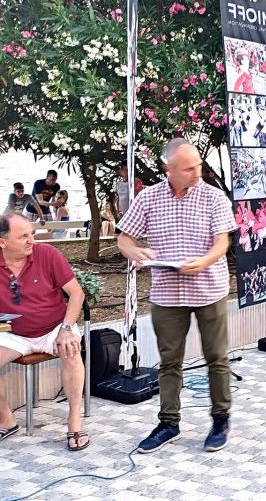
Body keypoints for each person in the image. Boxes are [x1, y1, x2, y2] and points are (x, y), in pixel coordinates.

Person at [116, 139, 238, 454]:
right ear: (168, 169)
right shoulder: (149, 198)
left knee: (217, 357)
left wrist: (204, 261)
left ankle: (220, 420)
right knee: (169, 361)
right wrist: (134, 251)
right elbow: (123, 239)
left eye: (198, 165)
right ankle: (168, 423)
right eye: (188, 168)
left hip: (208, 288)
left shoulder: (214, 197)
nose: (197, 172)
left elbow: (222, 243)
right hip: (167, 294)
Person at [0, 214, 88, 450]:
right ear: (2, 242)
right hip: (14, 333)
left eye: (32, 233)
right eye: (23, 236)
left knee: (71, 350)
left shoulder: (47, 254)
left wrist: (67, 329)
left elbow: (77, 294)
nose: (32, 240)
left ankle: (74, 422)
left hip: (55, 328)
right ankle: (7, 420)